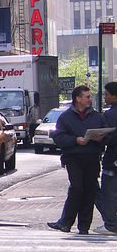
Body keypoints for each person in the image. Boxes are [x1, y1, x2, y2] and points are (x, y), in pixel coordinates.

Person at [47, 85, 106, 234]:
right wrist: (75, 140)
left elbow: (107, 135)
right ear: (78, 99)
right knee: (77, 188)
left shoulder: (96, 116)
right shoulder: (66, 117)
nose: (89, 99)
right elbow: (58, 137)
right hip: (73, 157)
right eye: (87, 96)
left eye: (90, 96)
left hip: (92, 157)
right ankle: (66, 222)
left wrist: (101, 138)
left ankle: (83, 226)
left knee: (89, 190)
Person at [94, 81, 117, 235]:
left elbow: (110, 137)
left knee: (108, 193)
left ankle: (111, 224)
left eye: (107, 94)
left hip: (113, 158)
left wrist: (99, 138)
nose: (105, 97)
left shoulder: (110, 114)